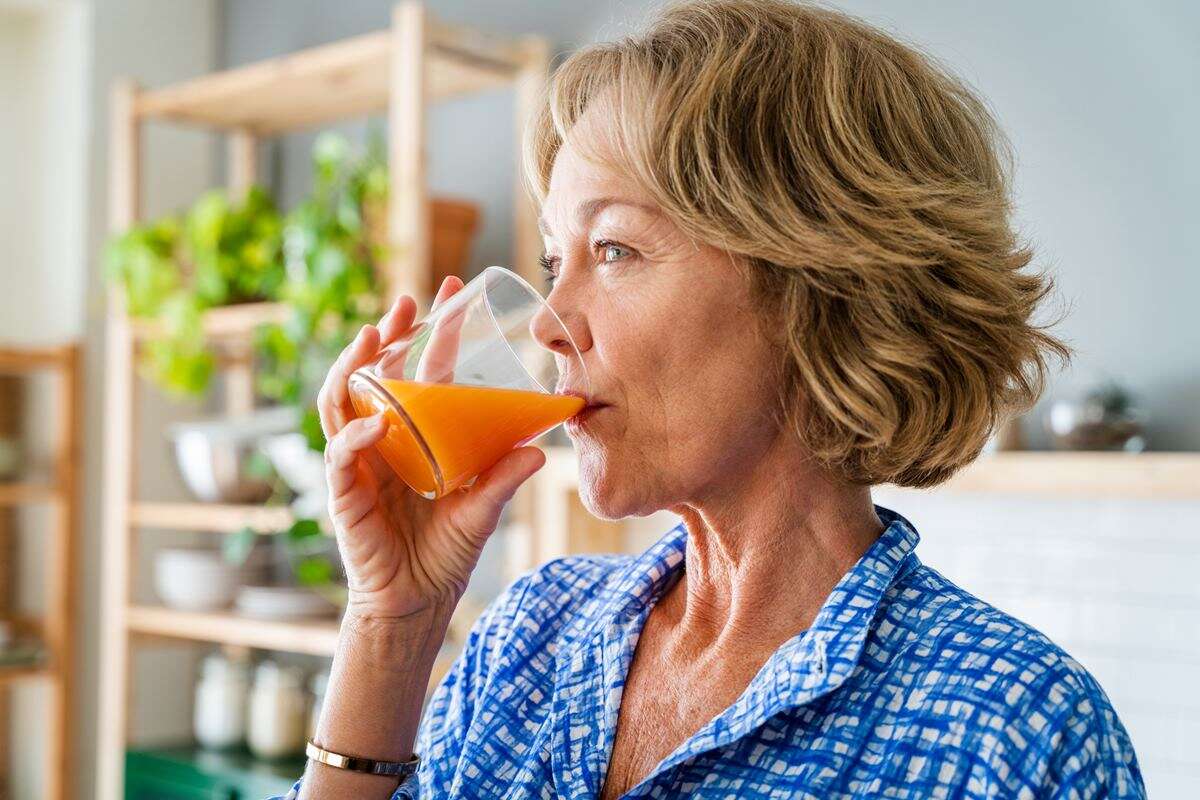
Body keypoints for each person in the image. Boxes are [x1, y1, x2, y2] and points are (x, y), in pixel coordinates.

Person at [279, 0, 1145, 797]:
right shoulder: (527, 636)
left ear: (820, 287)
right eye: (554, 263)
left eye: (614, 249)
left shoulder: (1015, 736)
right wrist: (393, 626)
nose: (548, 324)